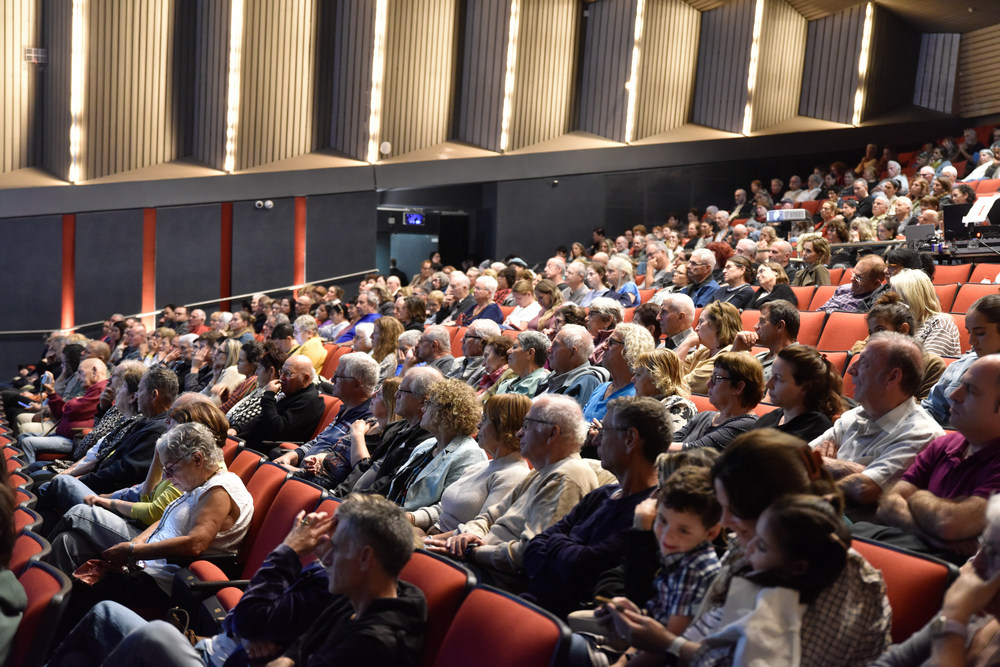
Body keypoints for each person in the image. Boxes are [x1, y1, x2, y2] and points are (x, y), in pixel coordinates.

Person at [602, 429, 891, 666]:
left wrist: (669, 644)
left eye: (735, 511)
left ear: (779, 508)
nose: (725, 522)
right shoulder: (750, 546)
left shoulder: (841, 581)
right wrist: (646, 628)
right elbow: (706, 628)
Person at [424, 394, 611, 591]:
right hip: (477, 563)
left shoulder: (568, 476)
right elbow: (489, 517)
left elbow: (528, 552)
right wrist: (468, 535)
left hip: (494, 579)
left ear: (552, 433)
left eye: (527, 425)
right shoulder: (541, 471)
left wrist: (473, 551)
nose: (519, 433)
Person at [523, 396, 666, 617]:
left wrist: (557, 545)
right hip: (533, 602)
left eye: (605, 432)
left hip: (568, 623)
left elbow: (581, 569)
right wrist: (567, 552)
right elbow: (534, 549)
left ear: (630, 439)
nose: (597, 441)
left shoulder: (649, 513)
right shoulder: (601, 495)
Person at [850, 354, 1000, 564]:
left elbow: (949, 523)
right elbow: (887, 504)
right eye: (961, 385)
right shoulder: (944, 444)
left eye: (971, 390)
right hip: (905, 552)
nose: (954, 395)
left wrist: (917, 497)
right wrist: (934, 534)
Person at [809, 332, 944, 508]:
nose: (851, 369)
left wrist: (825, 465)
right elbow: (799, 459)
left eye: (864, 363)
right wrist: (854, 470)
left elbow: (865, 490)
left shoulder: (922, 433)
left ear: (892, 377)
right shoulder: (853, 416)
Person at [870, 494, 1000, 666]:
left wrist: (953, 618)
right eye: (981, 547)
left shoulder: (960, 610)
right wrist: (952, 618)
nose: (975, 564)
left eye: (994, 553)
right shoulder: (974, 609)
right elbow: (888, 663)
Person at [408, 393, 531, 536]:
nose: (478, 425)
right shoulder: (483, 465)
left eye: (484, 420)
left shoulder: (514, 475)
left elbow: (483, 530)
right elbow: (444, 509)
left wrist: (426, 541)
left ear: (504, 426)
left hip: (448, 548)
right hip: (432, 534)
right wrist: (411, 517)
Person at [385, 378, 487, 511]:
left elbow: (447, 508)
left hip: (417, 524)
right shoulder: (427, 445)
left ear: (446, 411)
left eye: (428, 403)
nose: (422, 408)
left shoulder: (470, 455)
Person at [922, 294, 1000, 425]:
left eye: (980, 333)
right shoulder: (960, 366)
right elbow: (930, 410)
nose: (971, 341)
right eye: (969, 332)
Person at [855, 293, 946, 400]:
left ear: (903, 330)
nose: (873, 339)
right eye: (871, 333)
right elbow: (864, 404)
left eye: (880, 330)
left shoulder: (932, 364)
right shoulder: (876, 363)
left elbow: (928, 410)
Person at [673, 352, 763, 451]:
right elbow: (669, 441)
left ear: (738, 387)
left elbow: (695, 451)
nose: (708, 383)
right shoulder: (704, 416)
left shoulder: (747, 425)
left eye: (716, 378)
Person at [752, 345, 840, 442]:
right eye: (772, 375)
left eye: (778, 378)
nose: (768, 384)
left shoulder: (814, 427)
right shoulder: (770, 417)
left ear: (805, 386)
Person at [236, 354, 324, 451]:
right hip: (244, 440)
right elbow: (262, 419)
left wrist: (269, 396)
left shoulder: (310, 401)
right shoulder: (292, 393)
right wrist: (237, 428)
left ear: (305, 378)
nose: (281, 377)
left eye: (288, 373)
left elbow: (276, 430)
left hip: (258, 450)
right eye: (282, 372)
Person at [583, 323, 656, 422]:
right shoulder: (601, 387)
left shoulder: (637, 395)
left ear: (630, 350)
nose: (603, 347)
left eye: (611, 342)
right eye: (606, 341)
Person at [889, 268, 962, 357]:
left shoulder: (940, 322)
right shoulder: (898, 323)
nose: (892, 305)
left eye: (898, 300)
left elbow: (925, 366)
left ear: (913, 299)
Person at [541, 324, 610, 408]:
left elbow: (565, 419)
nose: (549, 349)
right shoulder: (555, 375)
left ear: (572, 352)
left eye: (555, 345)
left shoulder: (587, 382)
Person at [679, 301, 741, 394]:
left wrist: (685, 344)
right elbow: (672, 373)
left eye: (701, 322)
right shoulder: (704, 352)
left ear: (717, 325)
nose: (696, 328)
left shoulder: (727, 355)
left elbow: (680, 385)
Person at [731, 299, 798, 382]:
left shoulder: (796, 363)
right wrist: (736, 352)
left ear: (779, 326)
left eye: (762, 322)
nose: (755, 327)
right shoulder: (760, 357)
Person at [633, 349, 697, 434]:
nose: (633, 379)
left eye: (638, 374)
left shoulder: (679, 406)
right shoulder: (641, 404)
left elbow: (669, 442)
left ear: (656, 377)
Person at [489, 331, 551, 399]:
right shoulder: (507, 382)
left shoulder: (540, 381)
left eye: (515, 347)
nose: (508, 351)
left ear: (530, 353)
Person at [817, 254, 886, 313]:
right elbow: (820, 312)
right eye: (854, 274)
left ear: (875, 284)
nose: (852, 279)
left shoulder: (875, 302)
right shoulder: (843, 288)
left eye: (858, 278)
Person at [447, 319, 501, 387]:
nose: (461, 340)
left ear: (482, 342)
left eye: (467, 337)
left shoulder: (488, 370)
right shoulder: (458, 361)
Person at [370, 315, 404, 384]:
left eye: (375, 332)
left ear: (386, 337)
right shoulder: (378, 353)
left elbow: (376, 389)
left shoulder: (390, 359)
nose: (371, 336)